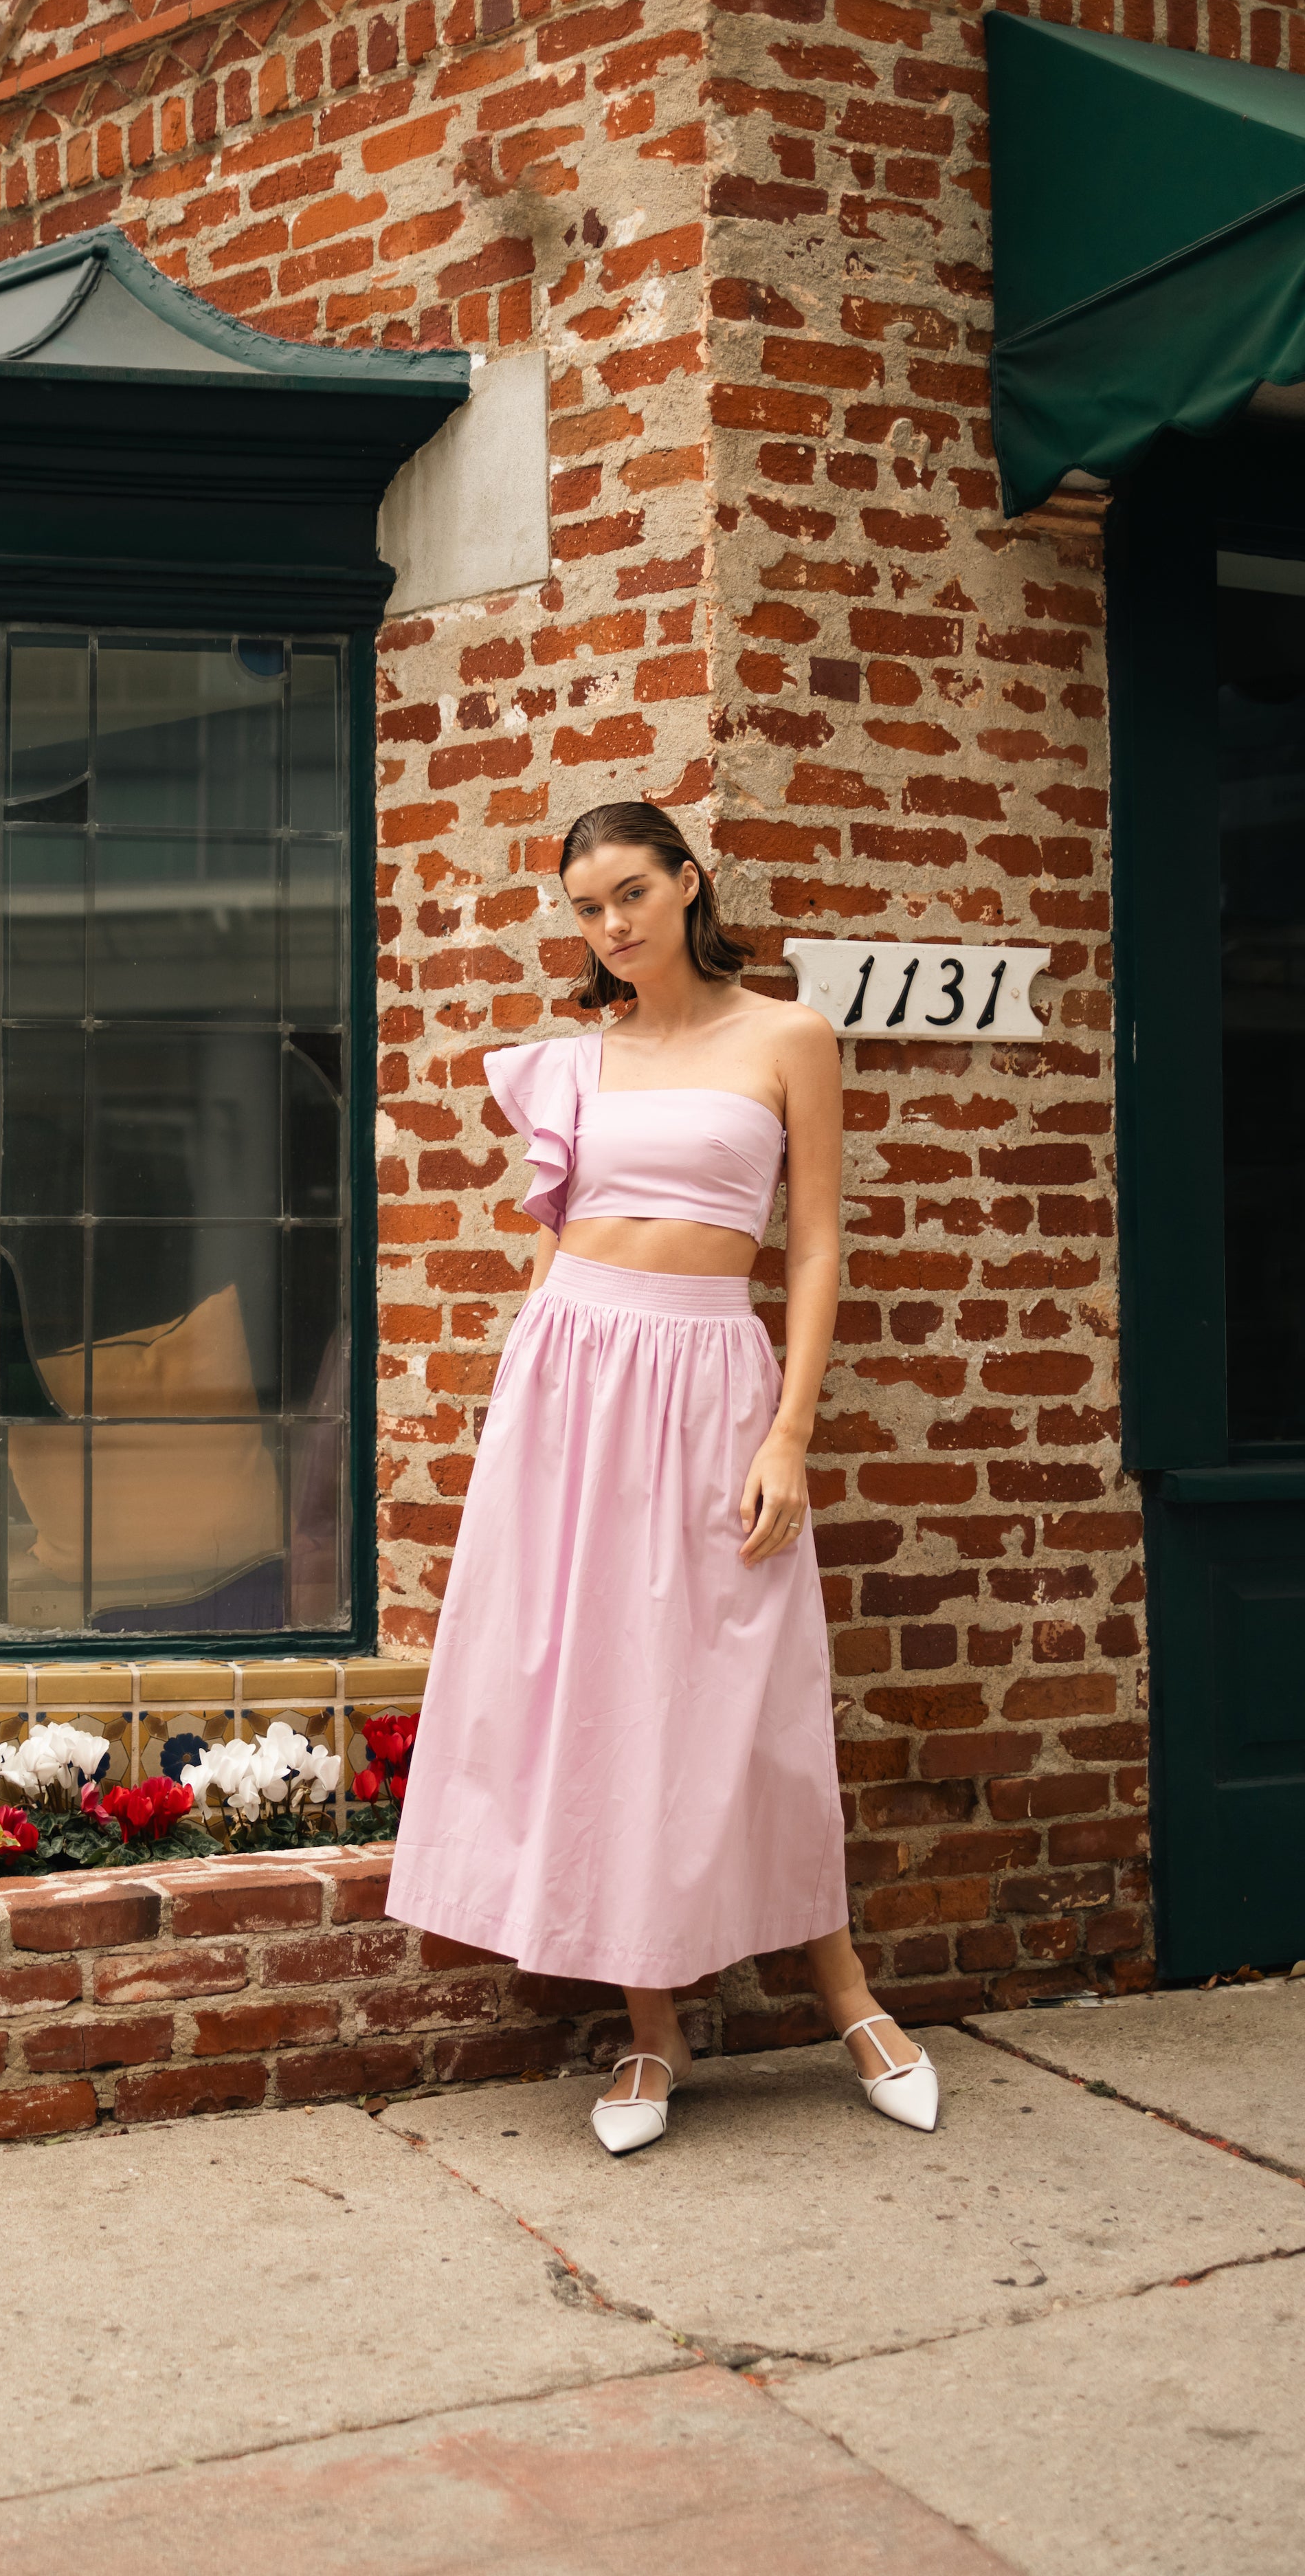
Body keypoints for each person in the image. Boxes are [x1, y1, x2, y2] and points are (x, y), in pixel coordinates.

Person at [386, 799, 939, 2155]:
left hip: (708, 1386)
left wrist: (788, 1434)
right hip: (570, 1383)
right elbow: (554, 1247)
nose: (611, 925)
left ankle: (849, 2000)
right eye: (585, 908)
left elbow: (810, 1250)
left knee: (747, 1695)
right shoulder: (572, 1062)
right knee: (600, 1698)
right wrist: (519, 1403)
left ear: (688, 884)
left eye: (631, 893)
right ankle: (649, 2031)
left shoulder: (785, 1036)